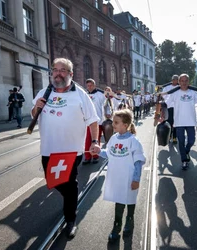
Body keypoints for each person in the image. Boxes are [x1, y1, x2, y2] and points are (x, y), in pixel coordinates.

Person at [32, 58, 100, 238]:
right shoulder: (43, 92)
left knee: (70, 184)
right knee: (52, 180)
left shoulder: (80, 94)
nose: (58, 73)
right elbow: (34, 114)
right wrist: (36, 107)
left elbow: (93, 120)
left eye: (63, 70)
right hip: (48, 149)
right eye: (55, 70)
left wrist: (94, 141)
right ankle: (70, 201)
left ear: (70, 74)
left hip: (71, 150)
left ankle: (70, 220)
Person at [98, 109, 146, 243]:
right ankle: (116, 227)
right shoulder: (113, 138)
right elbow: (109, 153)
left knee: (130, 202)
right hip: (117, 179)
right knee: (119, 204)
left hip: (129, 179)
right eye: (113, 122)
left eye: (116, 122)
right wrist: (98, 151)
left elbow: (138, 162)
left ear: (125, 125)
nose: (113, 124)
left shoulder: (133, 141)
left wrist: (136, 179)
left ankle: (129, 221)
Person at [163, 74, 197, 170]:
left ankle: (186, 151)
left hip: (191, 121)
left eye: (186, 81)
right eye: (182, 81)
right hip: (179, 122)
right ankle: (184, 160)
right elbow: (166, 104)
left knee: (191, 140)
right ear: (179, 82)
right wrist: (161, 98)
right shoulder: (175, 93)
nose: (184, 83)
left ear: (188, 82)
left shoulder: (193, 92)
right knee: (180, 141)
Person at [85, 78, 106, 164]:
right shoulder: (85, 95)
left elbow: (108, 102)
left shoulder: (100, 94)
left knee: (96, 139)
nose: (89, 87)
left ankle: (95, 156)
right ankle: (87, 156)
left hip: (97, 122)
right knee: (87, 140)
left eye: (91, 85)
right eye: (88, 86)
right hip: (87, 121)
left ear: (94, 85)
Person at [162, 75, 180, 143]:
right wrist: (169, 99)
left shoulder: (179, 87)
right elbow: (164, 96)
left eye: (177, 80)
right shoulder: (167, 87)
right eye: (174, 79)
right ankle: (169, 135)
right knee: (170, 122)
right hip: (169, 107)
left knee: (176, 123)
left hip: (177, 107)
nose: (176, 81)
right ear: (172, 80)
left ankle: (175, 137)